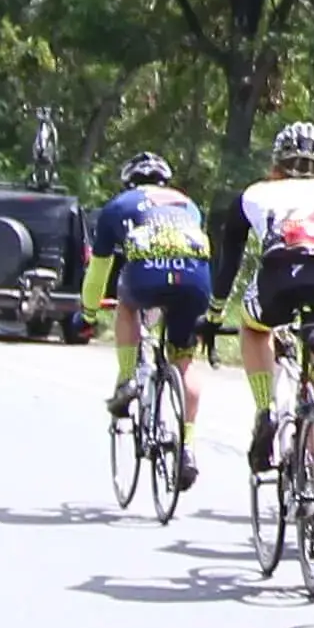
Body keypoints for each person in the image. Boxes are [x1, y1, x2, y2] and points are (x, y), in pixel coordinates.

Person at [213, 121, 314, 478]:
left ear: (276, 163)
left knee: (254, 329)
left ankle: (265, 408)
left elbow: (229, 260)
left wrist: (215, 313)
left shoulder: (254, 192)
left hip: (279, 276)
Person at [86, 153, 218, 432]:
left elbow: (98, 271)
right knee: (183, 362)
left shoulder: (118, 206)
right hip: (195, 279)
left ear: (128, 183)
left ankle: (127, 381)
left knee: (127, 305)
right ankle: (189, 448)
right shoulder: (189, 204)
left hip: (146, 275)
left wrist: (87, 315)